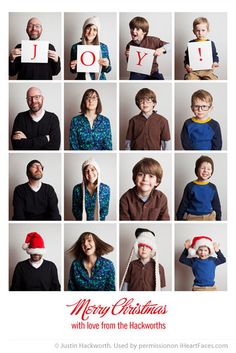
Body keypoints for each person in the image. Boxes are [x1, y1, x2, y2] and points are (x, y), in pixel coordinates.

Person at [176, 155, 221, 221]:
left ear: (211, 172)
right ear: (197, 169)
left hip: (209, 217)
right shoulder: (190, 186)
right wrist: (179, 218)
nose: (205, 170)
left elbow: (216, 205)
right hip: (193, 217)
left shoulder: (212, 187)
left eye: (209, 169)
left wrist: (218, 219)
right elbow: (184, 203)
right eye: (203, 168)